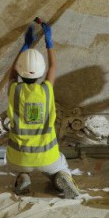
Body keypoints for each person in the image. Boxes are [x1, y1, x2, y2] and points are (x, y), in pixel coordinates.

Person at [6, 21, 80, 199]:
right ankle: (60, 177)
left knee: (20, 166)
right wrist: (49, 42)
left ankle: (23, 176)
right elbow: (53, 67)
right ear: (41, 72)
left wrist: (25, 46)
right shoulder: (46, 90)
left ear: (20, 71)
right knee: (60, 166)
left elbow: (12, 72)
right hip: (47, 158)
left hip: (19, 159)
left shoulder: (15, 91)